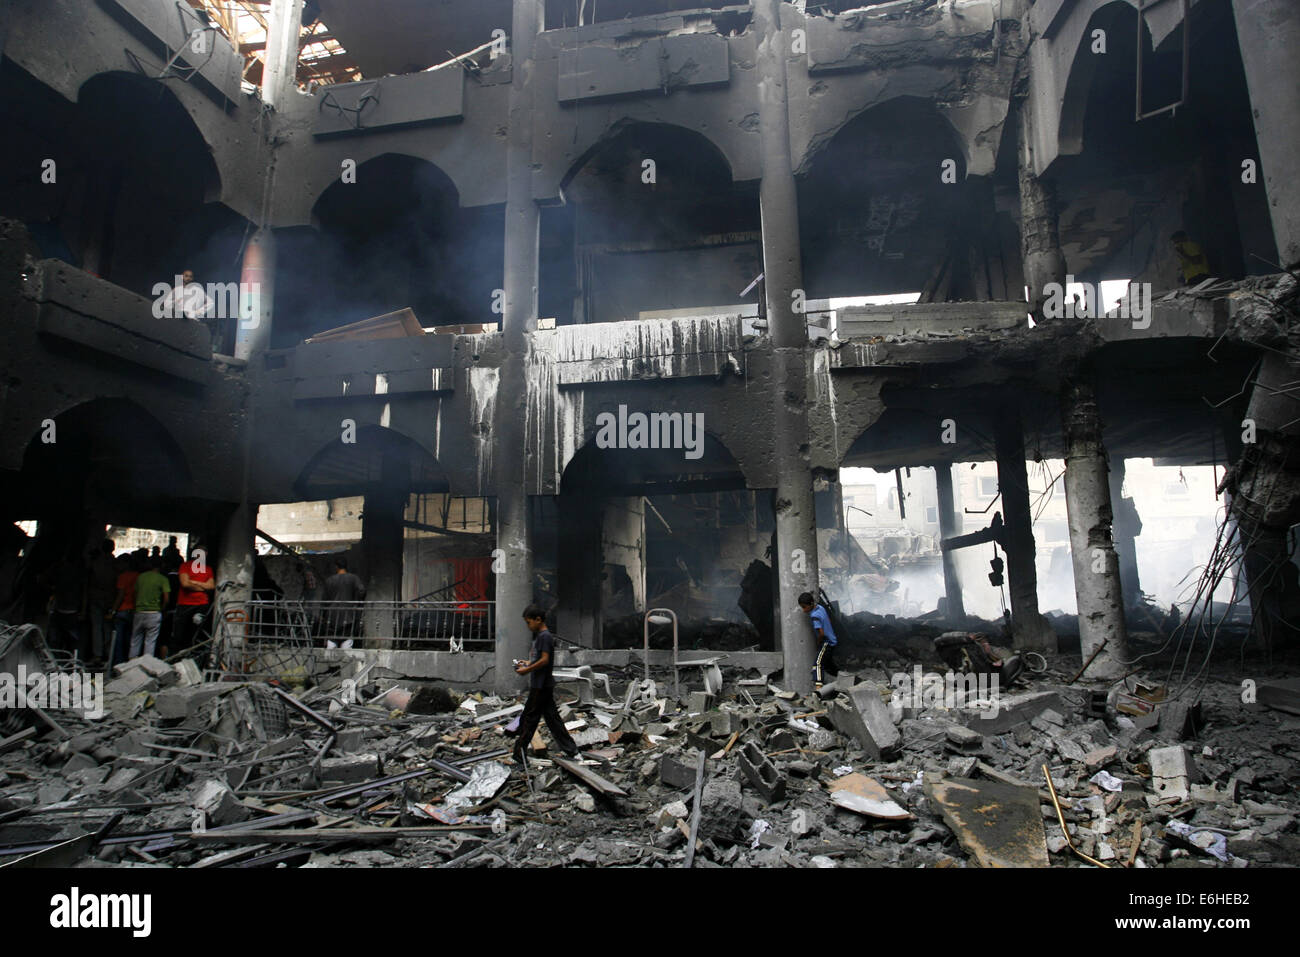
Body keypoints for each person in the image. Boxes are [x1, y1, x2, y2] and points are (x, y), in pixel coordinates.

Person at [511, 605, 581, 763]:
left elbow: (544, 660)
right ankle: (572, 751)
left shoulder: (545, 636)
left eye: (529, 623)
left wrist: (527, 669)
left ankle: (518, 753)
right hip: (542, 684)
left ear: (538, 619)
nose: (528, 626)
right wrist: (527, 663)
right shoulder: (540, 637)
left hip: (540, 685)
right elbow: (539, 659)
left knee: (530, 719)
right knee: (552, 719)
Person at [174, 546, 214, 664]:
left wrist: (194, 582)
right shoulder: (185, 566)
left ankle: (196, 661)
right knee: (180, 634)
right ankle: (179, 660)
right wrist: (202, 587)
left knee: (197, 634)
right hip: (184, 604)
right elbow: (185, 584)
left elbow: (211, 586)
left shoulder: (208, 569)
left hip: (202, 605)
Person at [129, 555, 170, 659]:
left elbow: (134, 594)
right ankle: (147, 663)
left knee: (135, 639)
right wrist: (162, 609)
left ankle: (132, 662)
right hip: (154, 612)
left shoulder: (141, 577)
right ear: (161, 566)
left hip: (139, 611)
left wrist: (135, 607)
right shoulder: (163, 579)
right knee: (150, 641)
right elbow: (166, 598)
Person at [320, 557, 365, 649]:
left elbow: (324, 600)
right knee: (347, 644)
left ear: (336, 567)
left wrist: (323, 615)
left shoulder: (330, 580)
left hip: (332, 617)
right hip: (348, 616)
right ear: (346, 566)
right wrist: (356, 603)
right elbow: (362, 591)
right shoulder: (353, 578)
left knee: (331, 645)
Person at [86, 539, 118, 667]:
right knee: (108, 627)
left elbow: (89, 580)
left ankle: (97, 655)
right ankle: (108, 654)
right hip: (110, 598)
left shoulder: (95, 563)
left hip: (96, 597)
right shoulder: (115, 564)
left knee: (97, 627)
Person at [109, 552, 142, 671]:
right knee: (131, 639)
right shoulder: (138, 576)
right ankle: (130, 664)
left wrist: (113, 611)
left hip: (122, 610)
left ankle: (118, 664)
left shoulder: (123, 577)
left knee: (118, 640)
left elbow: (120, 595)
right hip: (134, 611)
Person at [799, 591, 838, 691]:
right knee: (828, 664)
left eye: (804, 607)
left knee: (818, 663)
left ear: (811, 604)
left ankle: (818, 688)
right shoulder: (820, 608)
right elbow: (828, 621)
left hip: (826, 642)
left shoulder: (814, 616)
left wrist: (819, 641)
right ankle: (842, 678)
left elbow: (821, 633)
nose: (803, 610)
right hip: (832, 639)